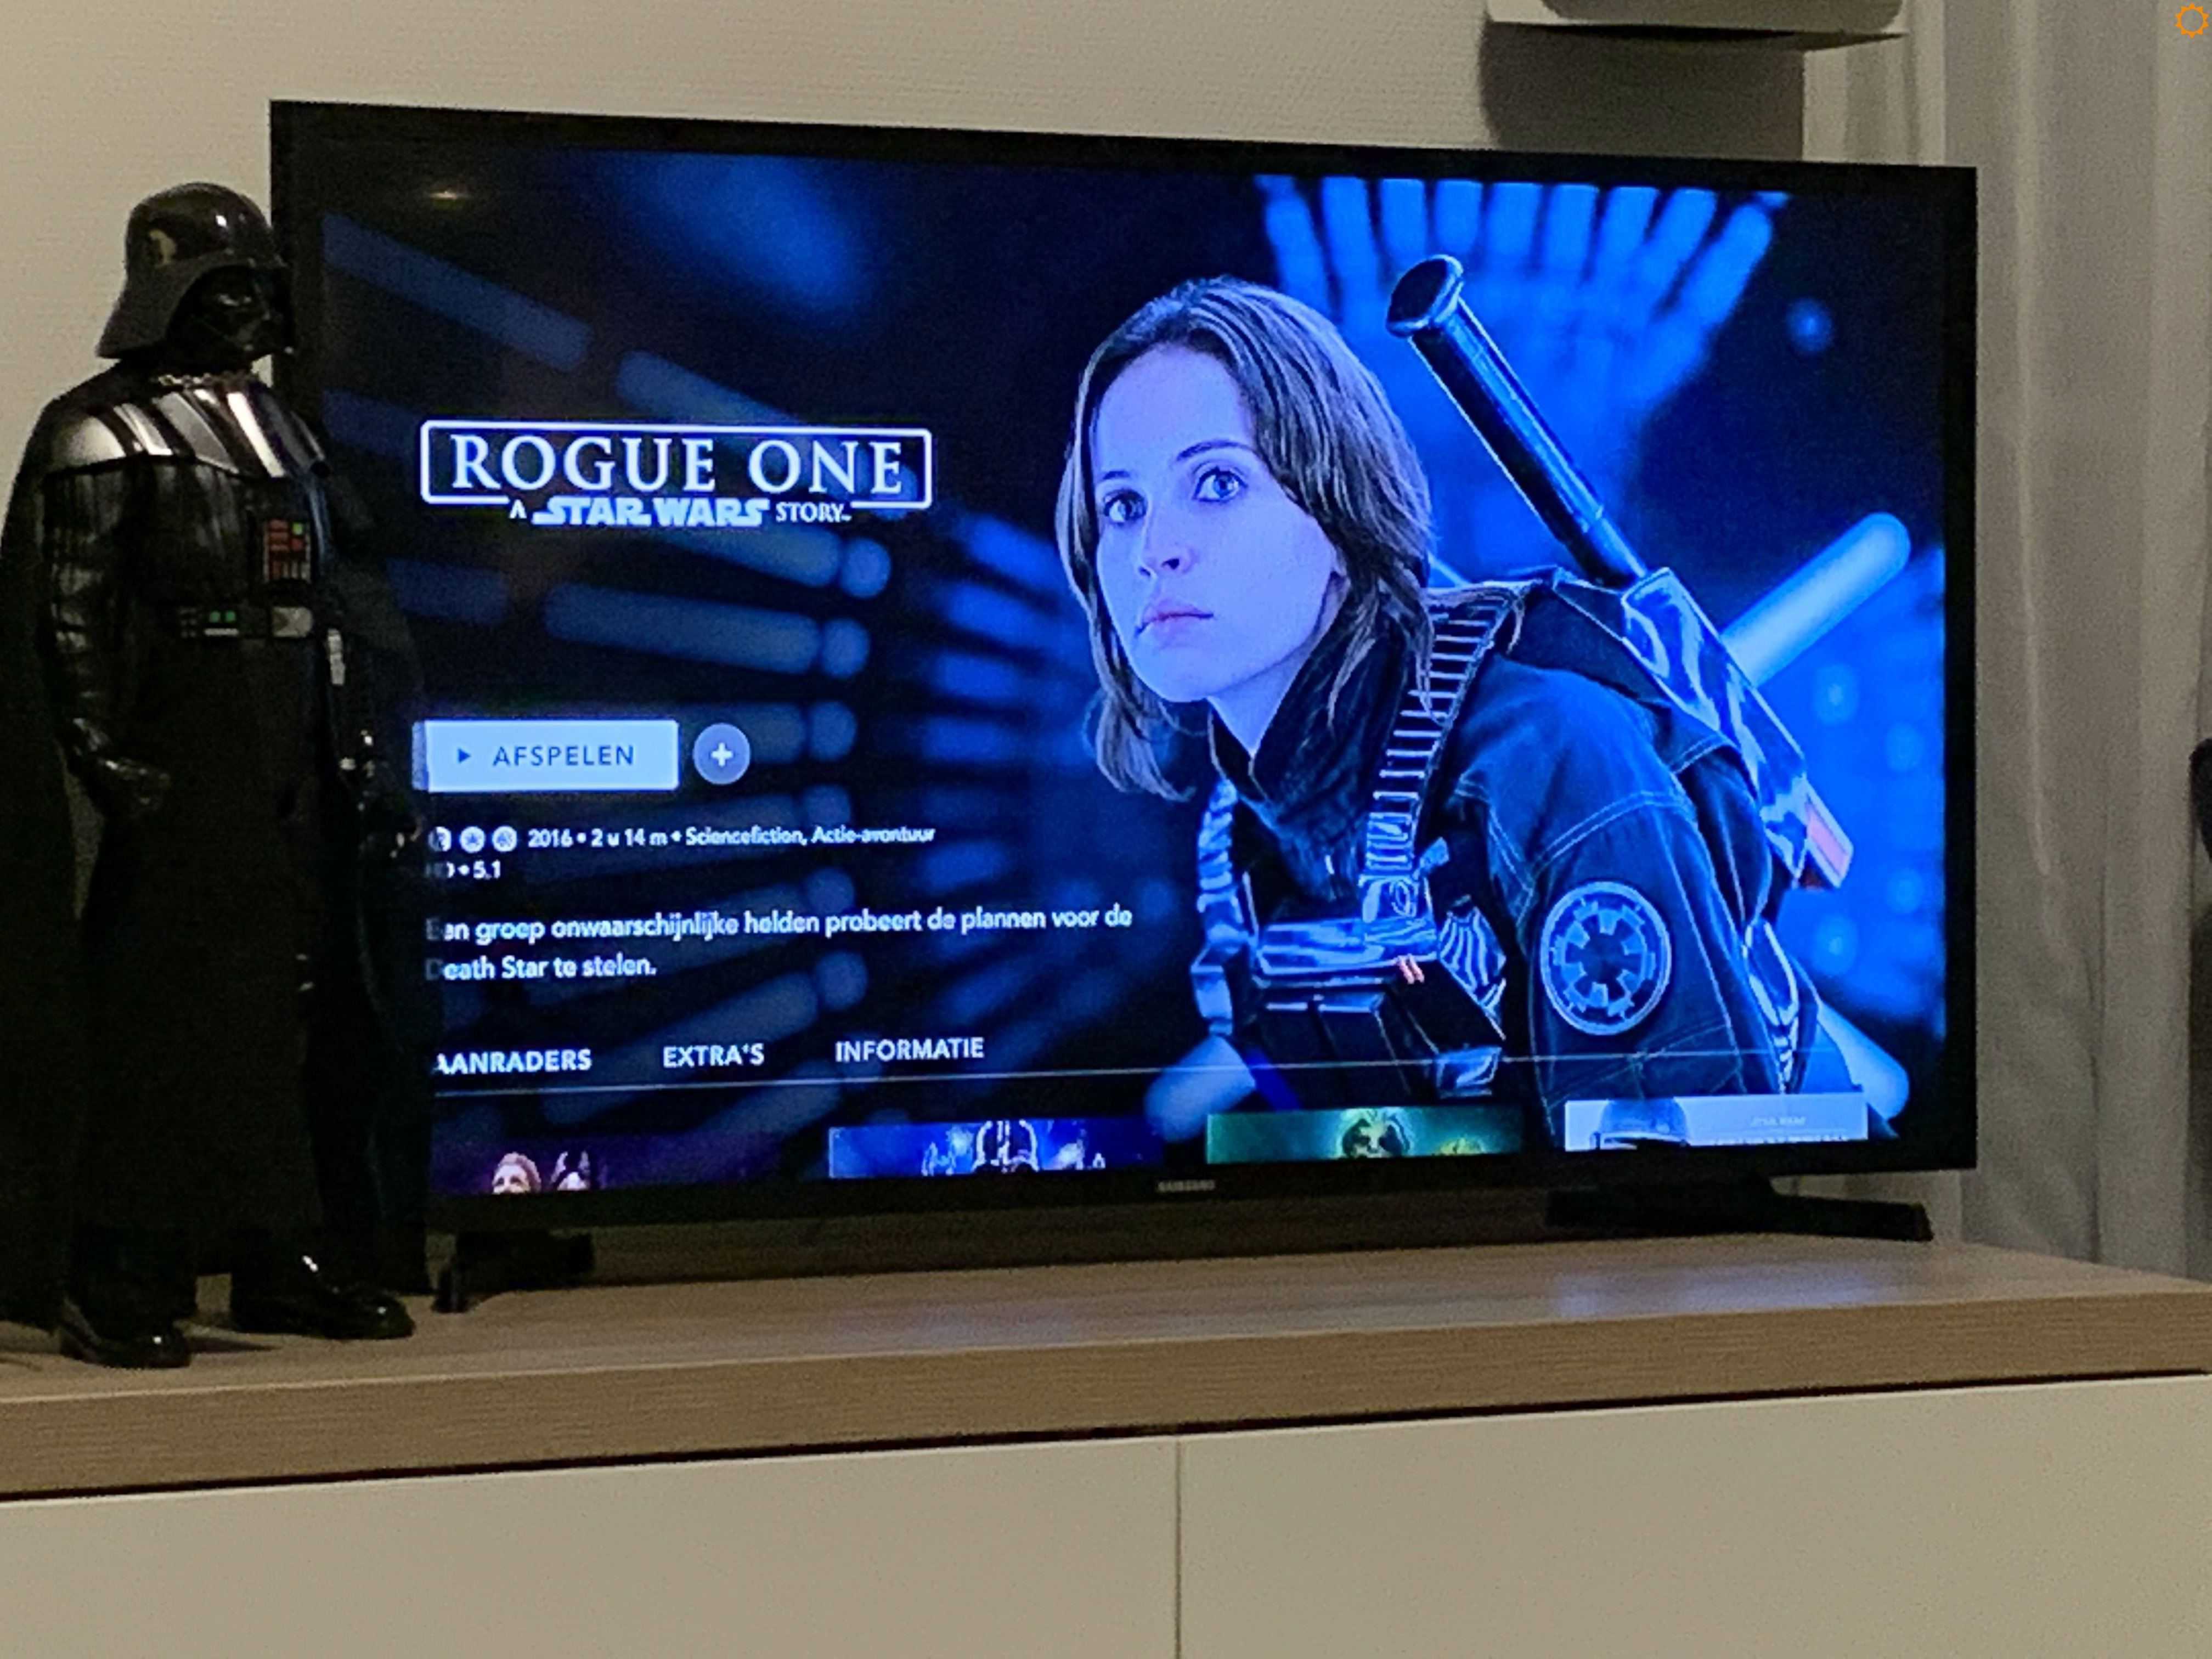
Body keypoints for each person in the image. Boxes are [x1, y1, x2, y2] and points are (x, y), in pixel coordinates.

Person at [1053, 276, 1844, 1150]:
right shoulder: (1245, 833)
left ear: (1338, 508)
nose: (1153, 550)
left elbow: (1680, 1185)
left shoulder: (1552, 761)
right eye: (1122, 505)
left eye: (1216, 483)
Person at [0, 184, 417, 1366]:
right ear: (169, 291)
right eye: (229, 289)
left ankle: (279, 1250)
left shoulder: (285, 431)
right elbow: (66, 612)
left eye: (262, 289)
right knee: (162, 1011)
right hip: (175, 744)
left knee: (297, 1000)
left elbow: (343, 602)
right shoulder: (98, 433)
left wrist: (362, 742)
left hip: (288, 739)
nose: (255, 313)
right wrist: (98, 751)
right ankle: (120, 1263)